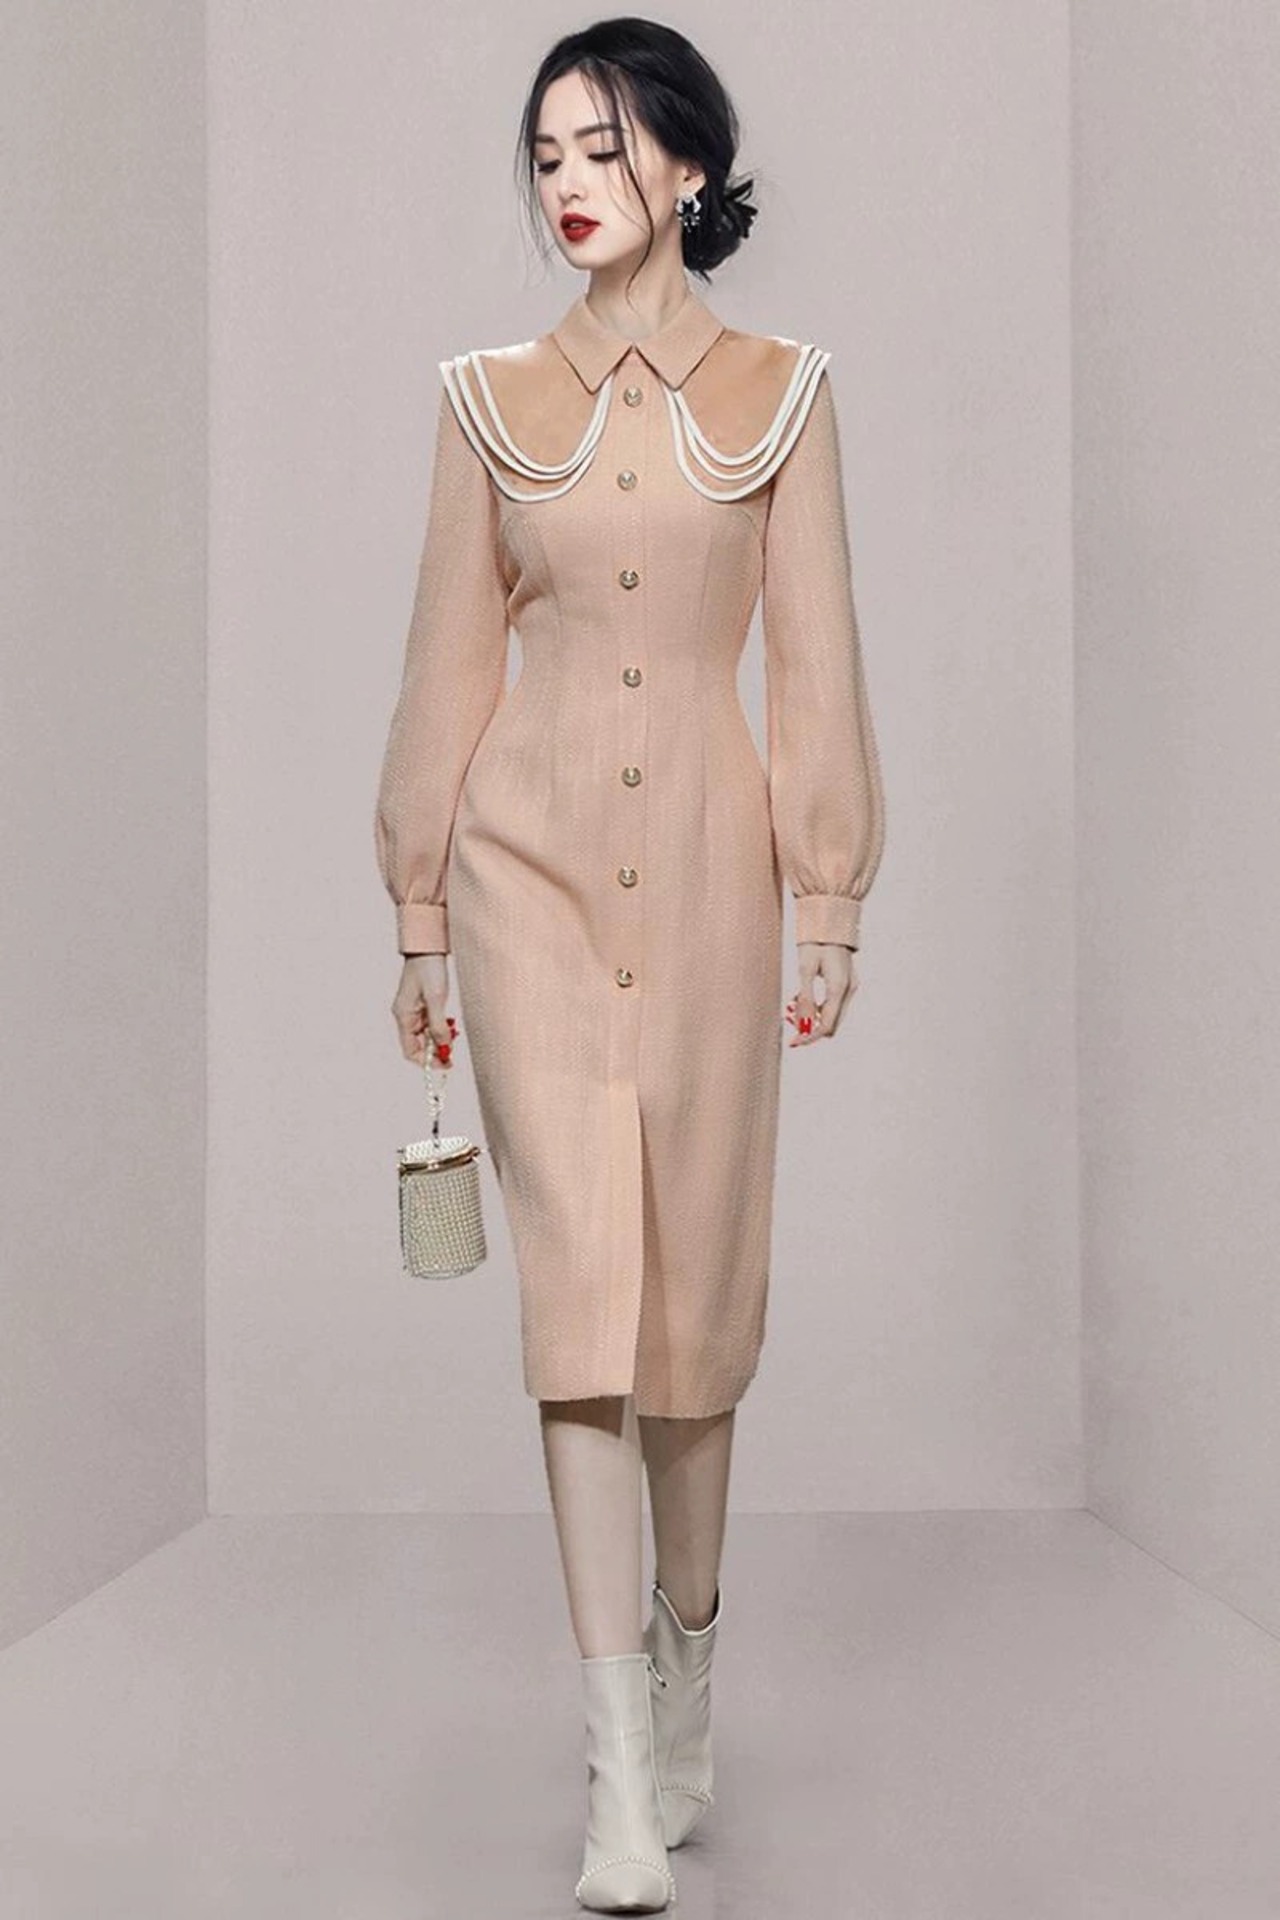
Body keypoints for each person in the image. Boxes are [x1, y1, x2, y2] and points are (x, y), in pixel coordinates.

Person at [374, 17, 886, 1912]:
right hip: (525, 884)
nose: (568, 183)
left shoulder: (782, 394)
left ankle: (688, 1671)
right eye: (545, 156)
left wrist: (828, 896)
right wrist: (420, 914)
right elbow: (447, 664)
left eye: (601, 147)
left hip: (714, 894)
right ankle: (614, 1782)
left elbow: (817, 658)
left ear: (685, 163)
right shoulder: (486, 401)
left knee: (695, 1334)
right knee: (580, 1311)